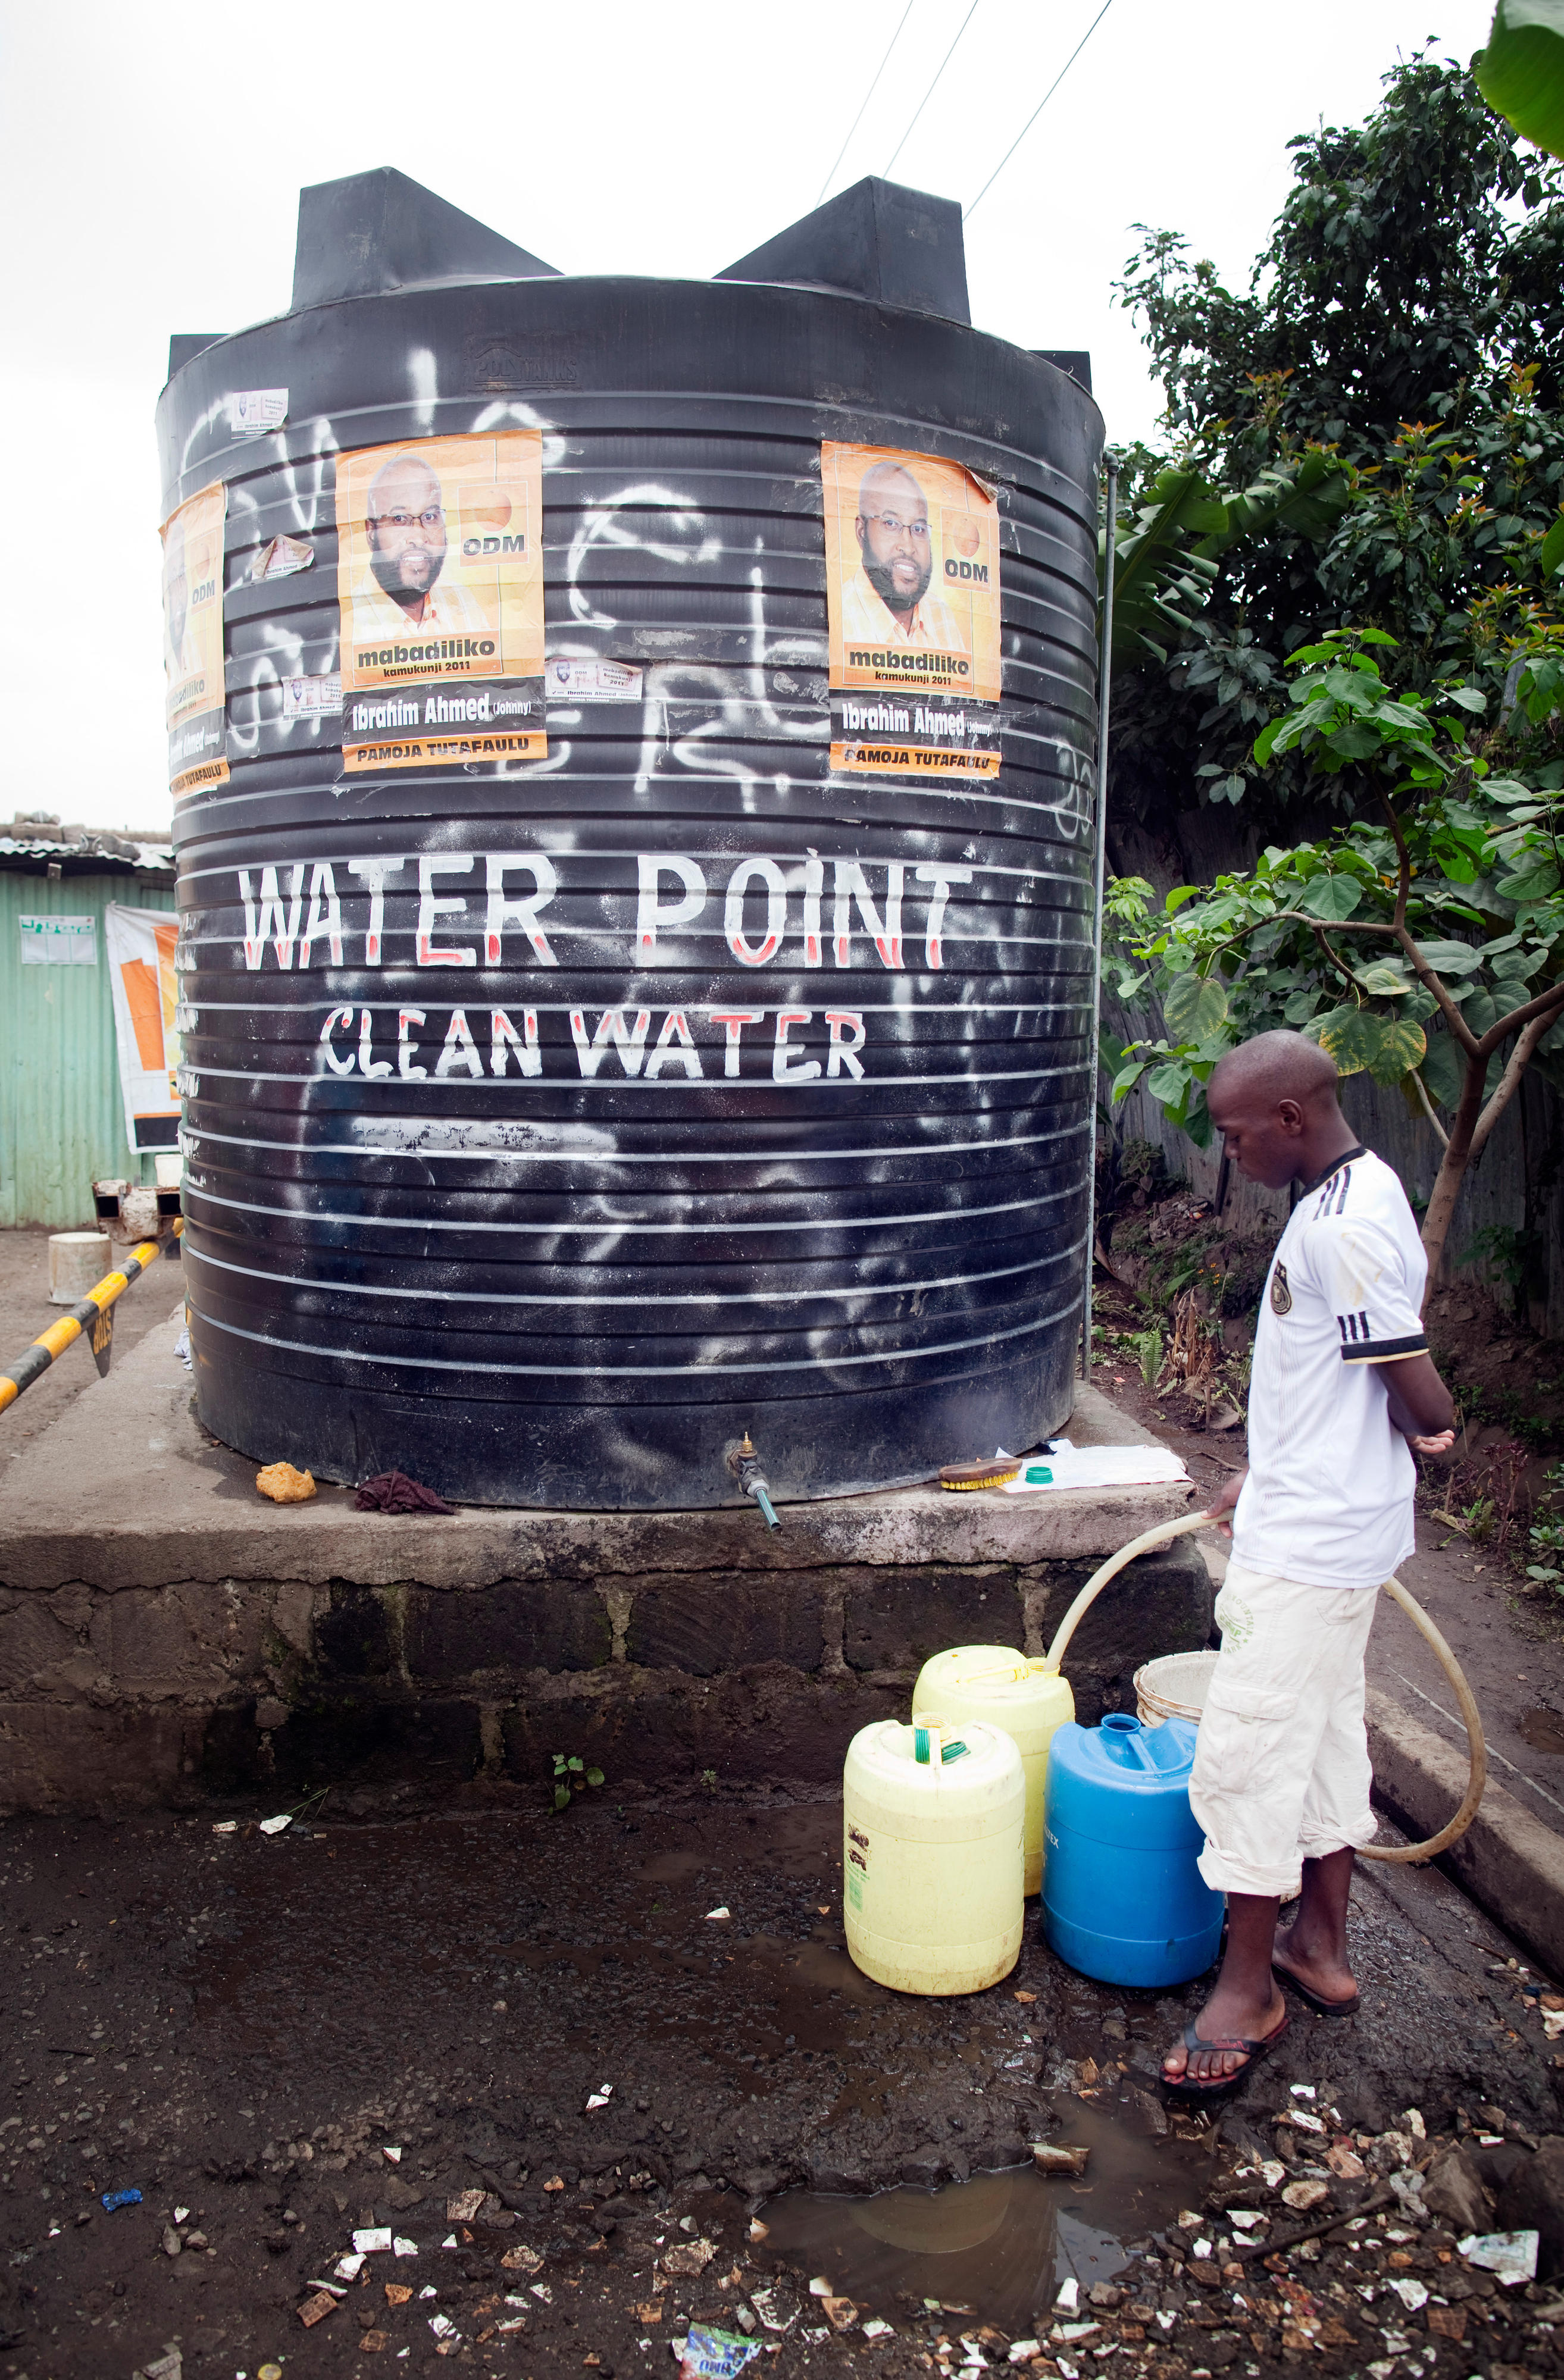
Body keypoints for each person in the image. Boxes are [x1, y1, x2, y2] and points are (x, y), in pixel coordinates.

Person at [1161, 1030, 1455, 2093]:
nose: (1228, 1150)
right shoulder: (1352, 1191)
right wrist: (1261, 1472)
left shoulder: (1341, 1231)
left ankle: (1248, 1990)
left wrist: (1438, 1428)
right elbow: (1329, 1381)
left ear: (1289, 1119)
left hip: (1313, 1546)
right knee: (1326, 1733)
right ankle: (1316, 1949)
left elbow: (1406, 1377)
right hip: (1321, 1518)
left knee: (1242, 1753)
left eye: (1237, 1135)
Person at [351, 452, 491, 638]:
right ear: (371, 532)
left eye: (430, 516)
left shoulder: (461, 601)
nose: (417, 536)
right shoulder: (350, 621)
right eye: (399, 519)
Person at [840, 460, 968, 652]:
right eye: (890, 524)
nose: (908, 547)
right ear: (861, 531)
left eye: (918, 528)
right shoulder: (840, 616)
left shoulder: (941, 614)